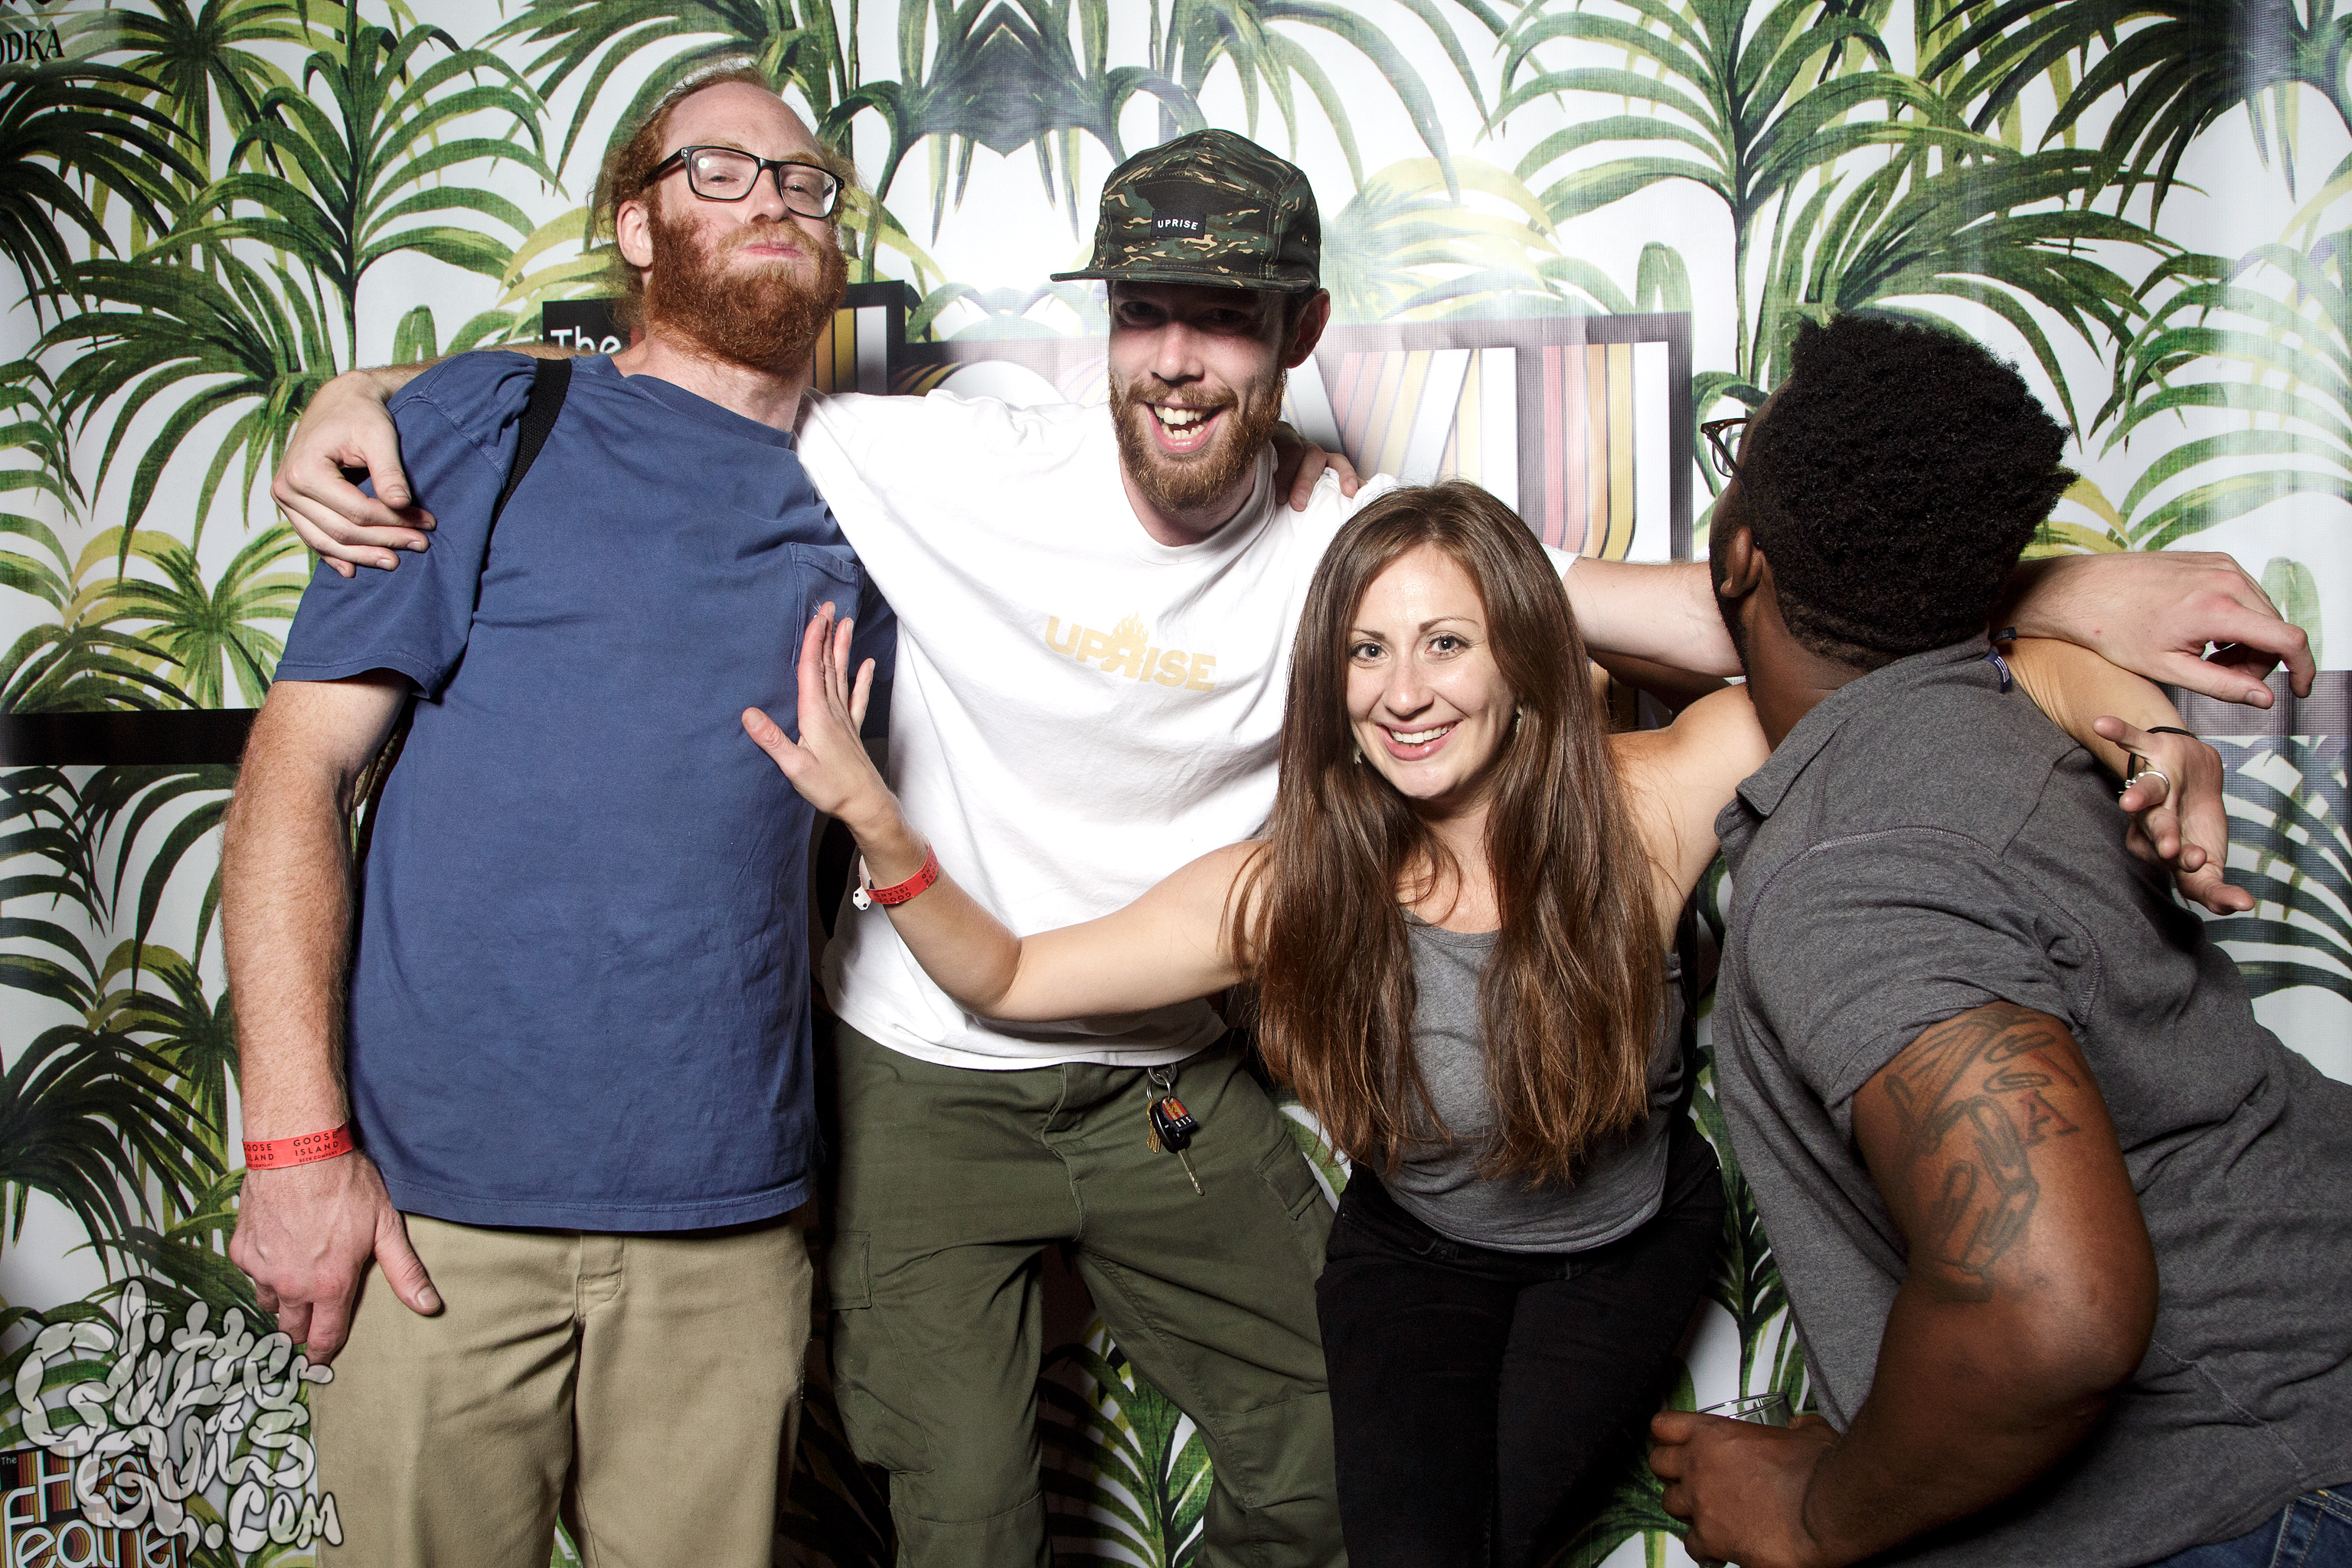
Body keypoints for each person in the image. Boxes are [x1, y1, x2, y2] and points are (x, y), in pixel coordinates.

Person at [267, 125, 2311, 1566]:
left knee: (1334, 1491)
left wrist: (2069, 612)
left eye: (1230, 318)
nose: (1182, 355)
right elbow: (680, 377)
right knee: (959, 1515)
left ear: (1296, 331)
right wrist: (385, 397)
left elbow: (1759, 614)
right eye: (1149, 309)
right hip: (929, 1071)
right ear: (1106, 325)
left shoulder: (1367, 547)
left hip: (1177, 1086)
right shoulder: (931, 463)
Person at [739, 476, 2230, 1568]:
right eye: (1367, 651)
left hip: (1621, 1248)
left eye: (1445, 643)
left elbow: (1942, 676)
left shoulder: (1651, 804)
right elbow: (1007, 975)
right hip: (1416, 1256)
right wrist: (880, 824)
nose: (1404, 691)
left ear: (1521, 657)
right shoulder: (1290, 886)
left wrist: (2152, 729)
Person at [219, 67, 894, 1567]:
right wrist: (293, 1151)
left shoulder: (878, 496)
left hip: (727, 1231)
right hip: (433, 1225)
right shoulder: (490, 422)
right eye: (721, 171)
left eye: (803, 182)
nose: (774, 199)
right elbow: (291, 780)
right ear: (635, 226)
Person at [1648, 312, 2352, 1568]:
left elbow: (2051, 1312)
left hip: (2236, 1499)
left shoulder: (1854, 867)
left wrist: (1816, 1509)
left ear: (1743, 558)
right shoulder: (1996, 728)